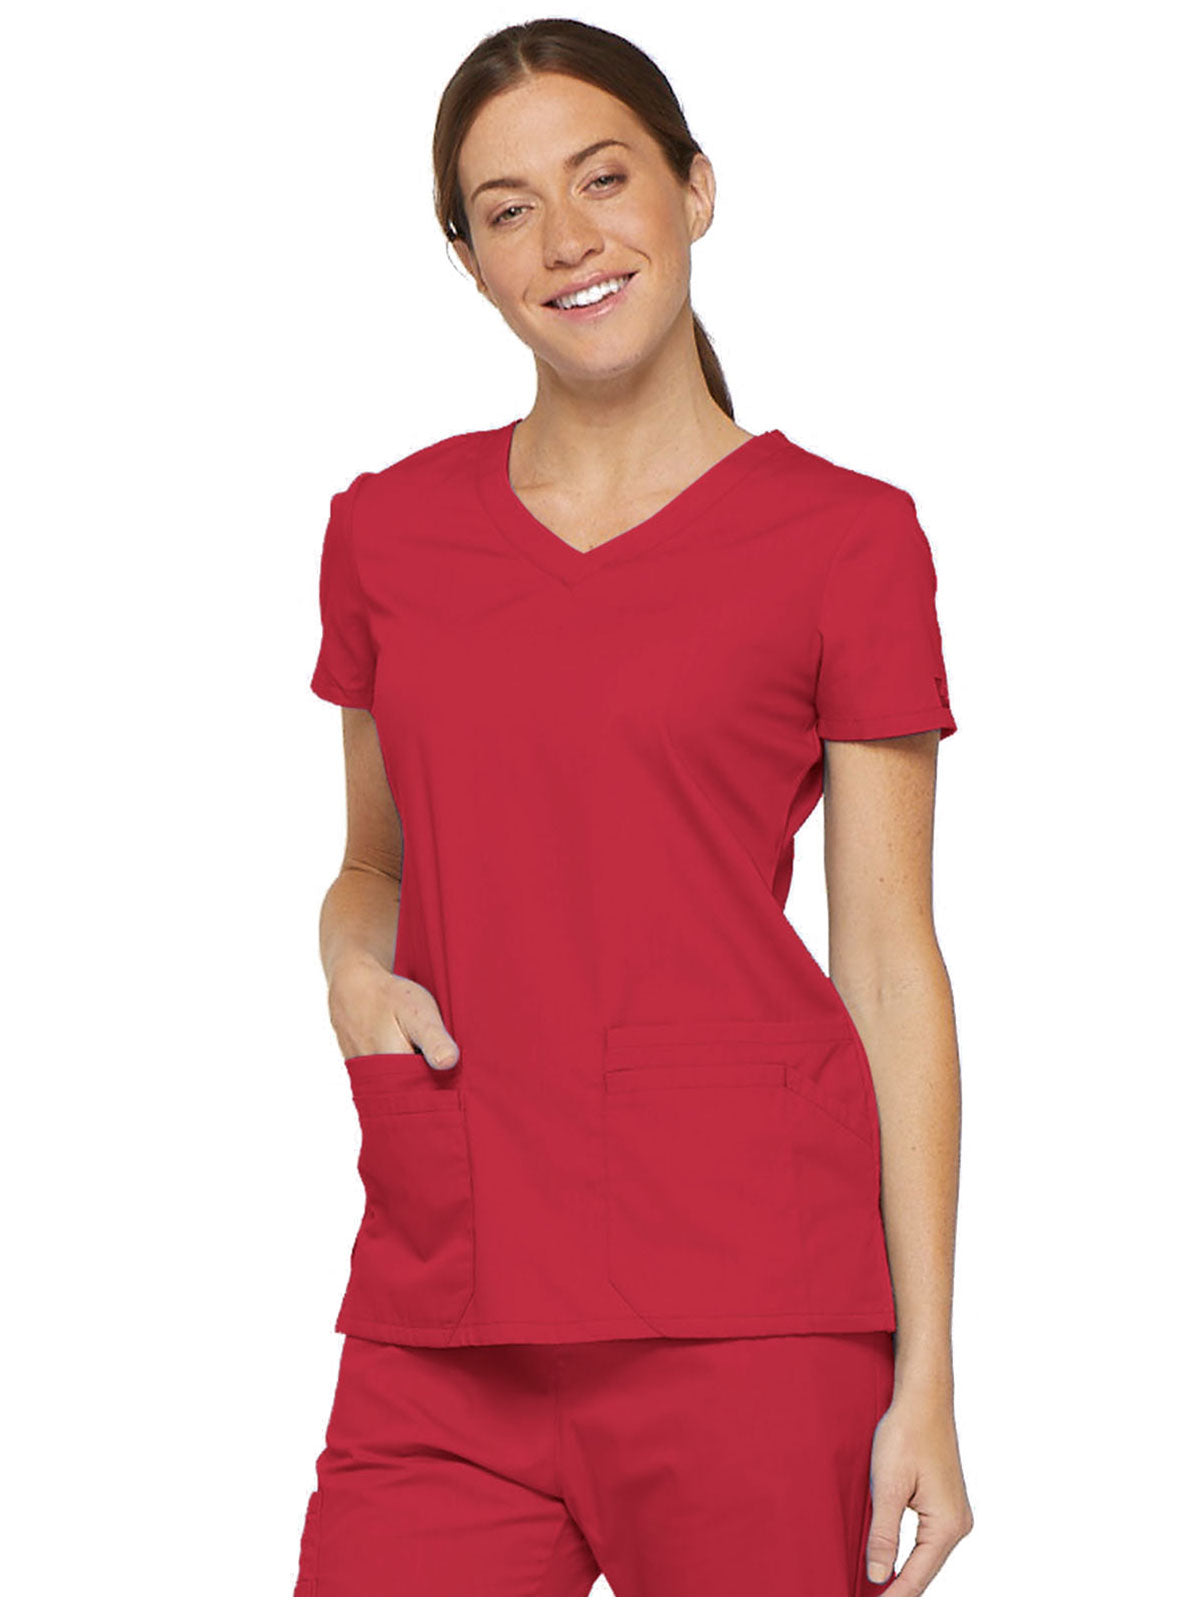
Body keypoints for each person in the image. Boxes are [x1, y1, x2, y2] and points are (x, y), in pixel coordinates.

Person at [292, 18, 974, 1599]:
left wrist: (930, 1372)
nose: (567, 237)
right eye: (509, 207)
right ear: (467, 260)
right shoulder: (387, 533)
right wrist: (346, 968)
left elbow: (889, 962)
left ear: (695, 190)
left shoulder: (848, 540)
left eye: (604, 179)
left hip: (755, 1312)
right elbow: (372, 865)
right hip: (445, 1307)